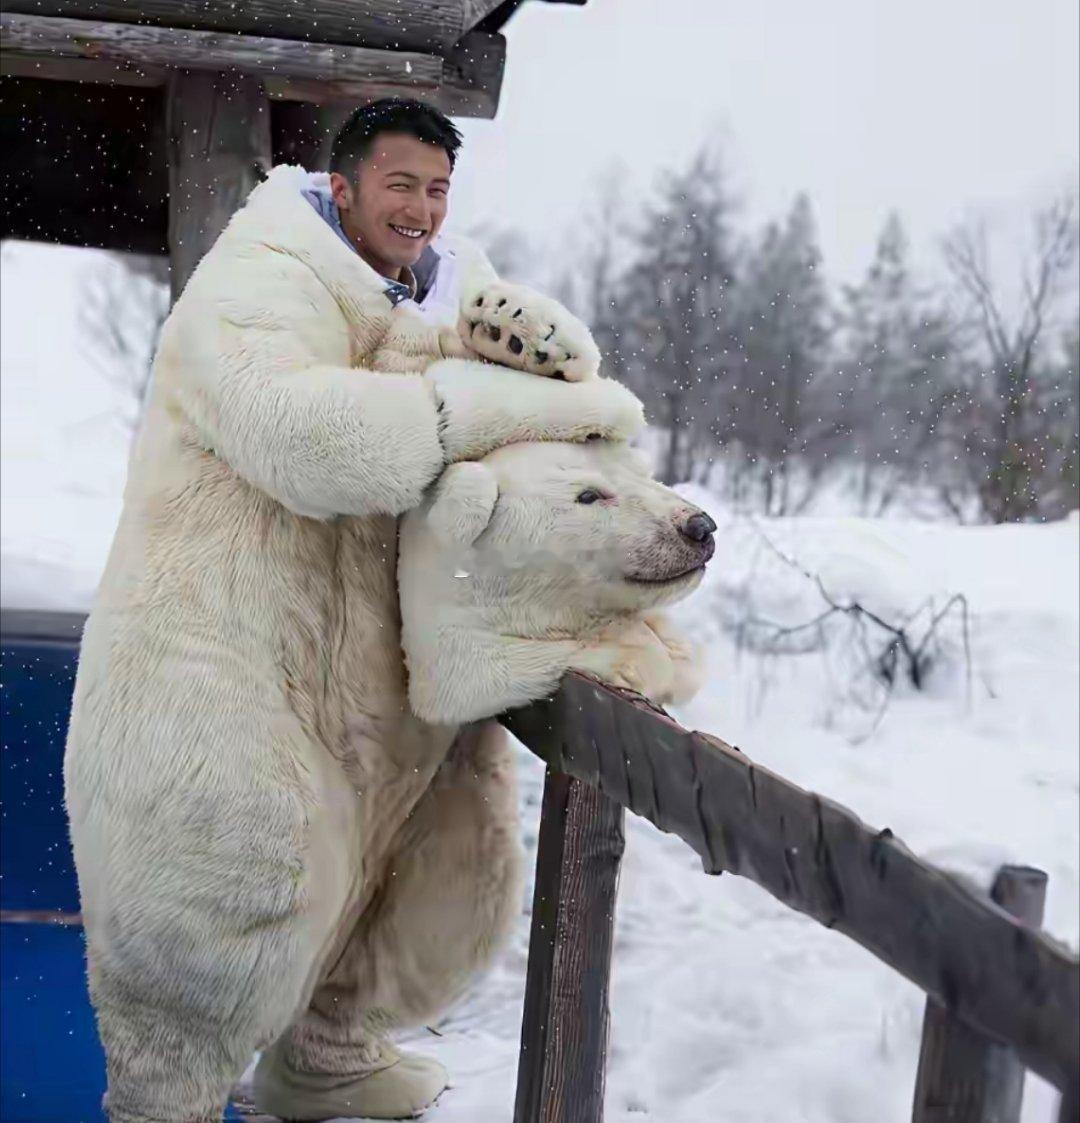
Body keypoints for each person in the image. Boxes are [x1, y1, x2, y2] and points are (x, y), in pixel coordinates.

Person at [63, 96, 642, 1123]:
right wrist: (508, 404)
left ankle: (326, 1052)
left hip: (365, 702)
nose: (420, 210)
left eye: (436, 190)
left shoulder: (452, 296)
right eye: (400, 185)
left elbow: (546, 462)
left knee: (395, 884)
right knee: (207, 925)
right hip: (217, 666)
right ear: (342, 187)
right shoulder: (257, 280)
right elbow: (306, 439)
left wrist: (566, 389)